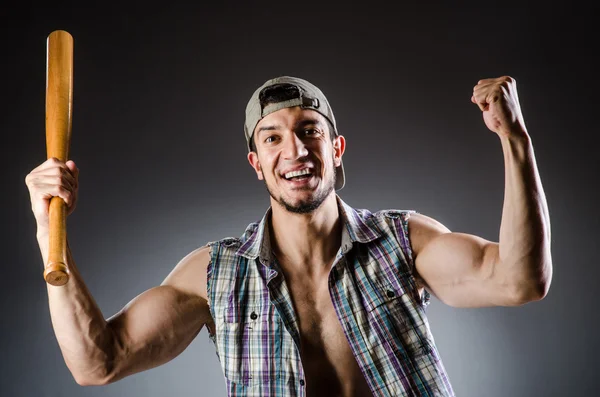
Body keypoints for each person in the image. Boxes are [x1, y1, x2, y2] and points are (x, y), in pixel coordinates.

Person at [25, 75, 552, 397]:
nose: (295, 151)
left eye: (309, 131)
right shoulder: (216, 274)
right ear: (256, 164)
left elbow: (519, 279)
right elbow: (98, 362)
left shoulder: (403, 242)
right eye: (273, 138)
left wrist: (516, 141)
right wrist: (49, 228)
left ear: (336, 148)